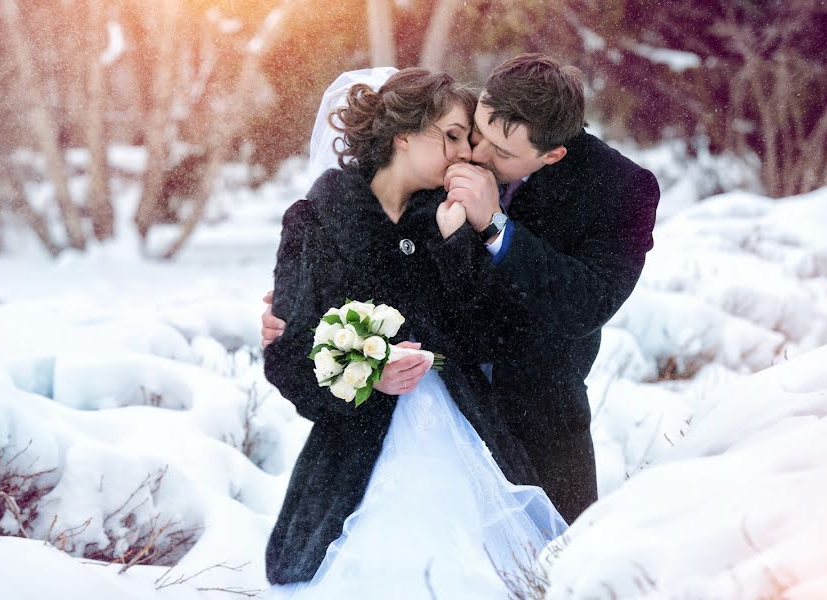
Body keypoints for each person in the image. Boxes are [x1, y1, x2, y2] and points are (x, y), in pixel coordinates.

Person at [262, 54, 660, 525]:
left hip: (537, 416)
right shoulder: (428, 160)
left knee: (549, 570)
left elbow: (583, 304)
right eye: (477, 131)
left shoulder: (619, 189)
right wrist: (311, 316)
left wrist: (495, 226)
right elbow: (380, 254)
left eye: (503, 152)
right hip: (407, 423)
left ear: (552, 154)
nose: (477, 154)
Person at [262, 67, 566, 598]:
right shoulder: (316, 220)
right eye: (450, 135)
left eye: (465, 139)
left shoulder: (451, 216)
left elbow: (485, 338)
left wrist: (455, 246)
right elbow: (288, 354)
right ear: (403, 134)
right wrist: (364, 376)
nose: (463, 152)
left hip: (462, 434)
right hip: (356, 450)